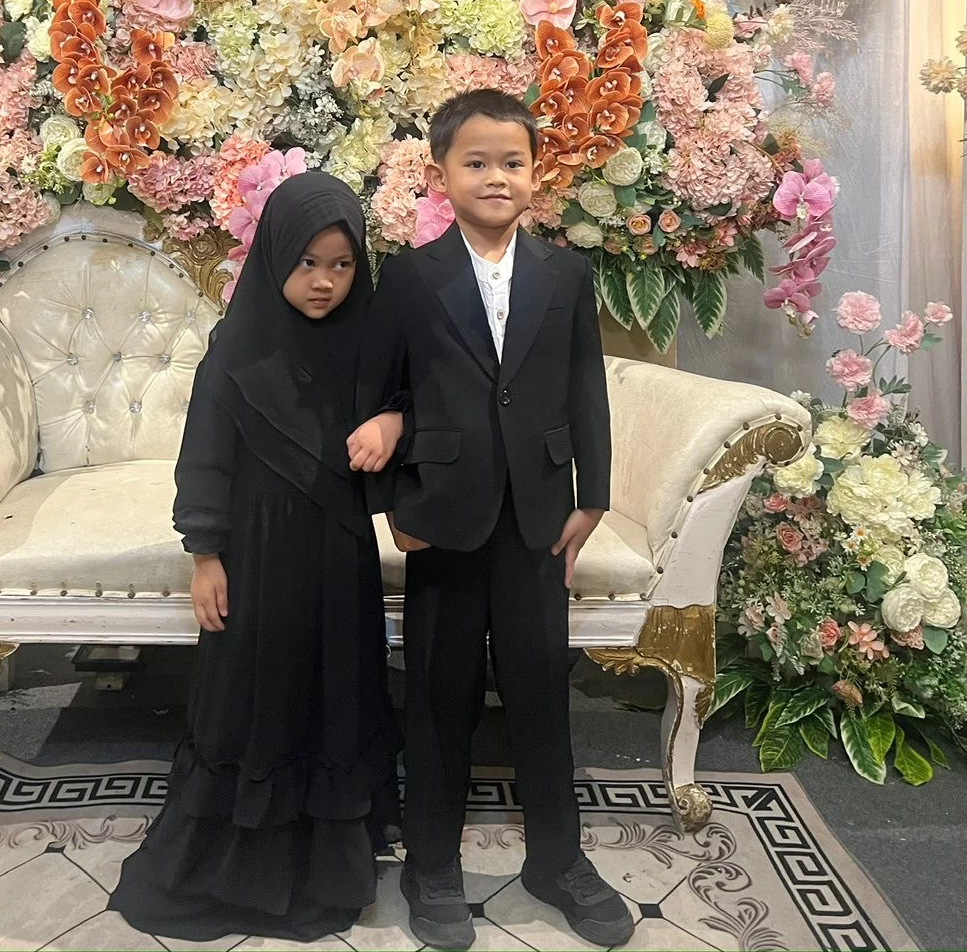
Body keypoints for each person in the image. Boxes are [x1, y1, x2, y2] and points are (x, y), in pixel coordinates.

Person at [360, 89, 635, 950]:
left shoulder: (566, 274)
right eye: (475, 162)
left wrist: (593, 494)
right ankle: (431, 865)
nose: (495, 177)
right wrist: (394, 504)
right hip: (442, 518)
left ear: (535, 173)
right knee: (437, 697)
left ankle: (557, 859)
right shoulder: (409, 277)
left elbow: (585, 386)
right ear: (440, 173)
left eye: (512, 162)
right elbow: (383, 393)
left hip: (538, 518)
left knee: (539, 691)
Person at [110, 171, 403, 943]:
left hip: (339, 557)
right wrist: (206, 556)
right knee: (253, 696)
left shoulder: (370, 343)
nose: (323, 282)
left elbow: (412, 403)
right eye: (306, 263)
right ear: (274, 257)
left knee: (336, 693)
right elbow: (205, 459)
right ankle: (239, 863)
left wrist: (394, 424)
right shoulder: (237, 347)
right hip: (257, 556)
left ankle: (329, 858)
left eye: (341, 265)